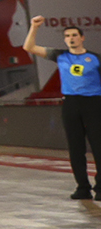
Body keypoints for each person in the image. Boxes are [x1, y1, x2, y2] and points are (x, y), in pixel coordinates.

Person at [23, 18, 99, 199]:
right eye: (67, 36)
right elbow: (29, 47)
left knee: (99, 145)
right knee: (75, 147)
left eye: (74, 35)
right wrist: (34, 27)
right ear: (64, 40)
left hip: (94, 102)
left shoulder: (95, 58)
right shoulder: (60, 55)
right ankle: (82, 187)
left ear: (82, 37)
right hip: (71, 103)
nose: (71, 38)